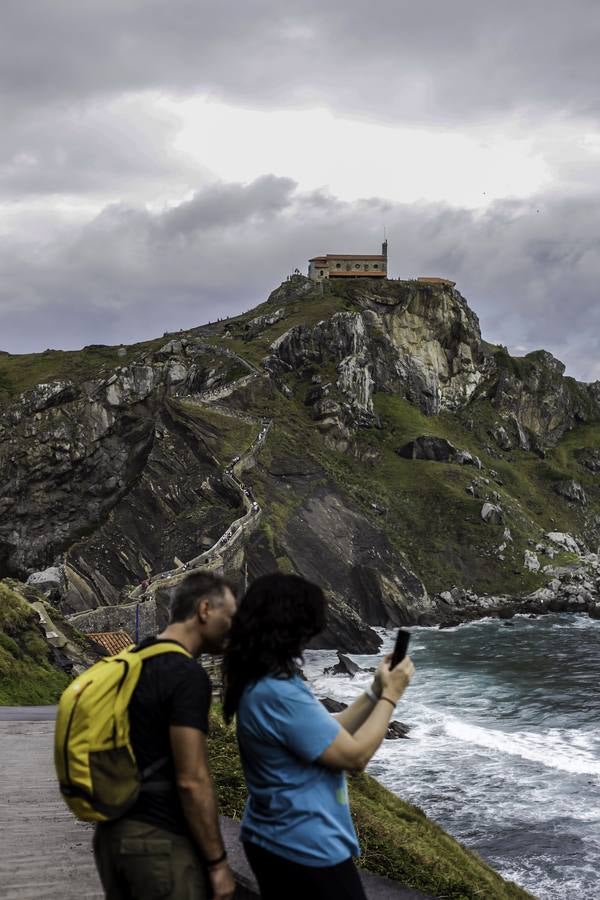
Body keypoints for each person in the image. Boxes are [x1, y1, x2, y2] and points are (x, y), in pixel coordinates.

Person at [222, 573, 415, 900]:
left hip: (277, 838)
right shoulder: (278, 693)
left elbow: (330, 729)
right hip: (302, 847)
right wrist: (391, 696)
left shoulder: (264, 681)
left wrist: (375, 690)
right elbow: (355, 757)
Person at [93, 571, 238, 900]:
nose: (233, 627)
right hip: (156, 840)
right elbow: (192, 779)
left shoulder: (134, 658)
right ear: (204, 610)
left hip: (112, 835)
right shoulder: (186, 674)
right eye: (229, 616)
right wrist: (217, 863)